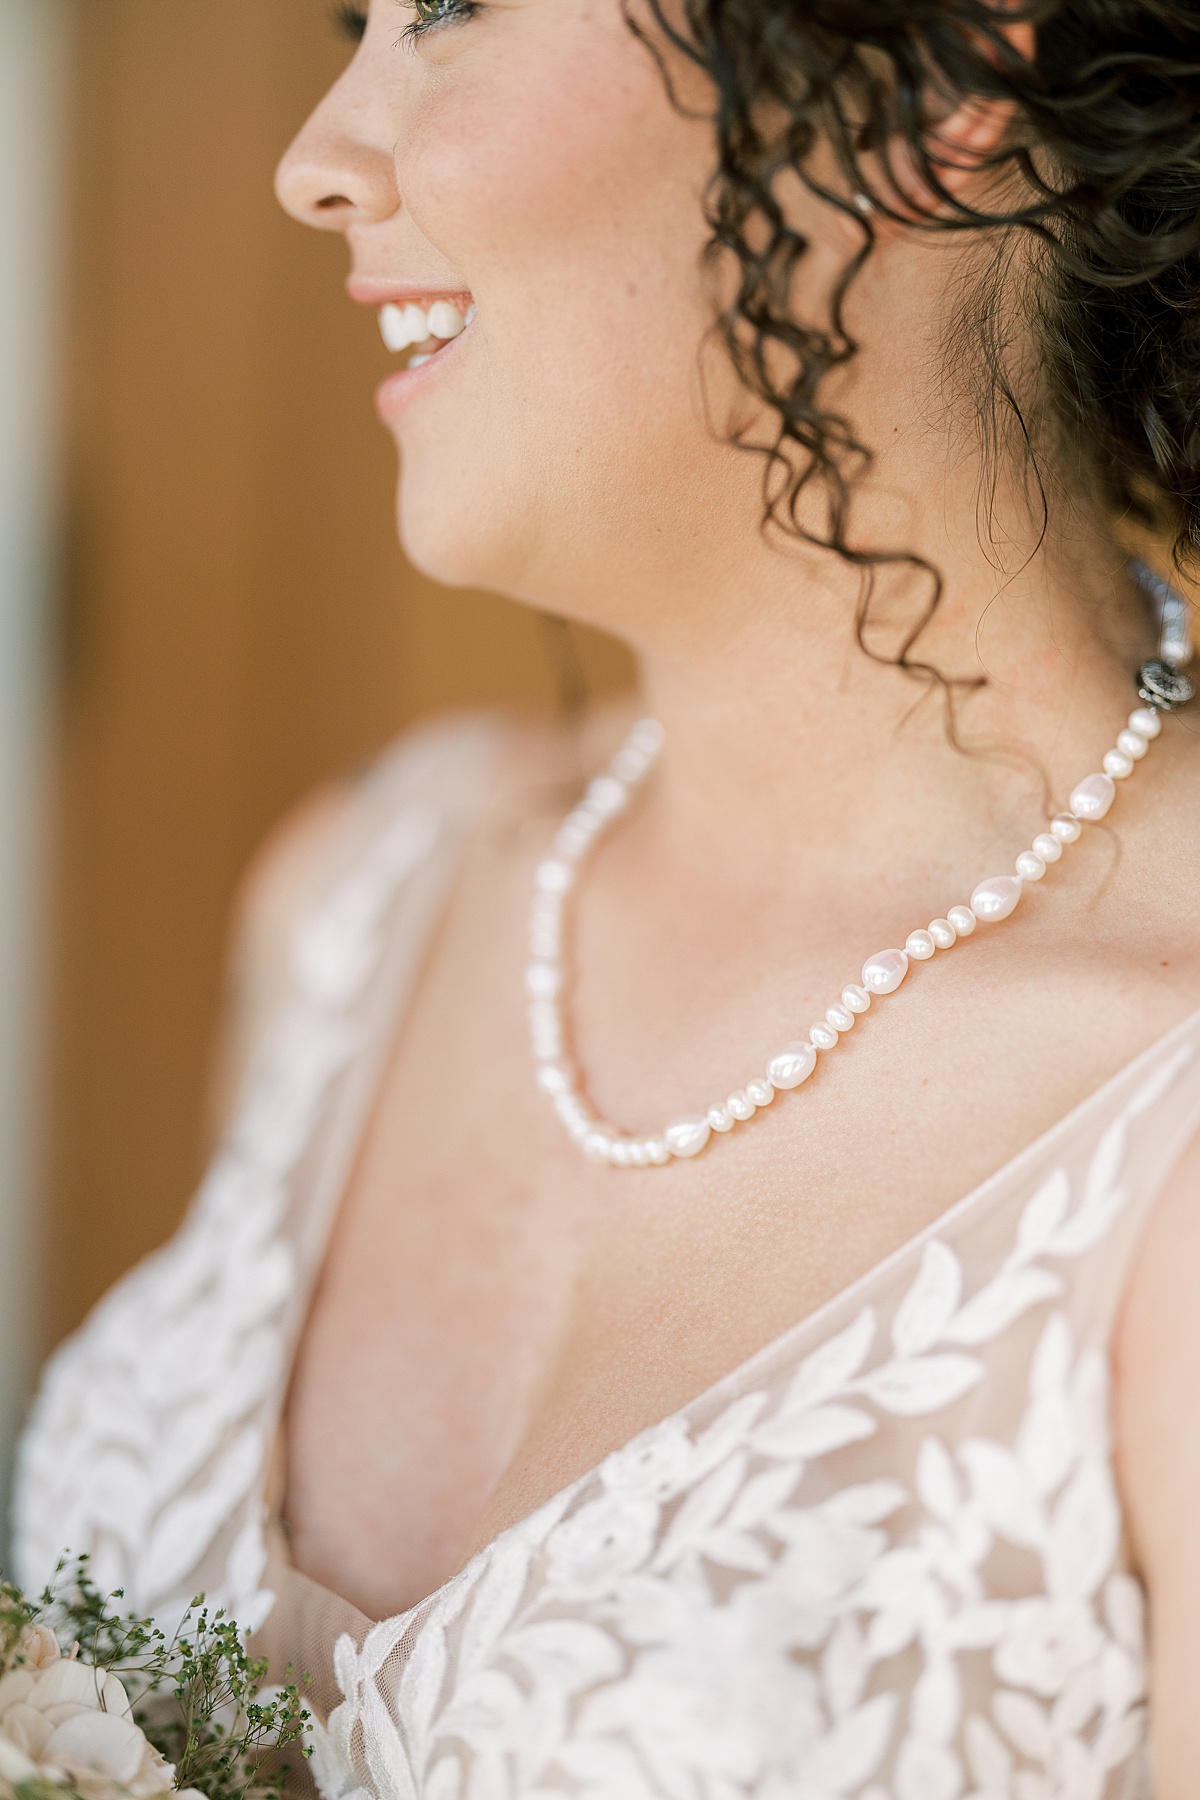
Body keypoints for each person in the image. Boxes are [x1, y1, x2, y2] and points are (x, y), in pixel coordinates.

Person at [15, 0, 1200, 1792]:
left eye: (446, 8)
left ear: (954, 66)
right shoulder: (359, 898)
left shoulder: (1165, 1112)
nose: (315, 158)